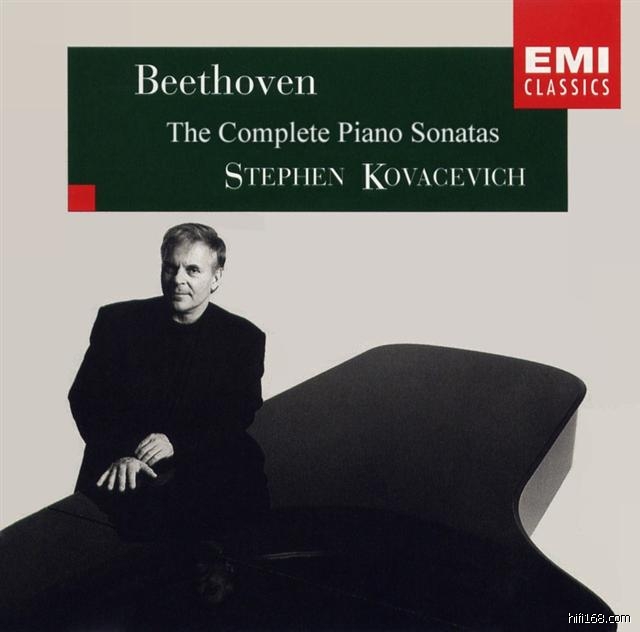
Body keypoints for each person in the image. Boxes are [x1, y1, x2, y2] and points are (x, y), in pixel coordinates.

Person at [0, 223, 269, 628]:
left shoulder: (243, 338)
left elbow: (239, 411)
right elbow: (86, 398)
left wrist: (177, 443)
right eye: (170, 267)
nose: (178, 279)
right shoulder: (118, 322)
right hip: (120, 495)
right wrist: (123, 451)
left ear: (216, 278)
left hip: (200, 494)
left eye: (192, 270)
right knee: (116, 602)